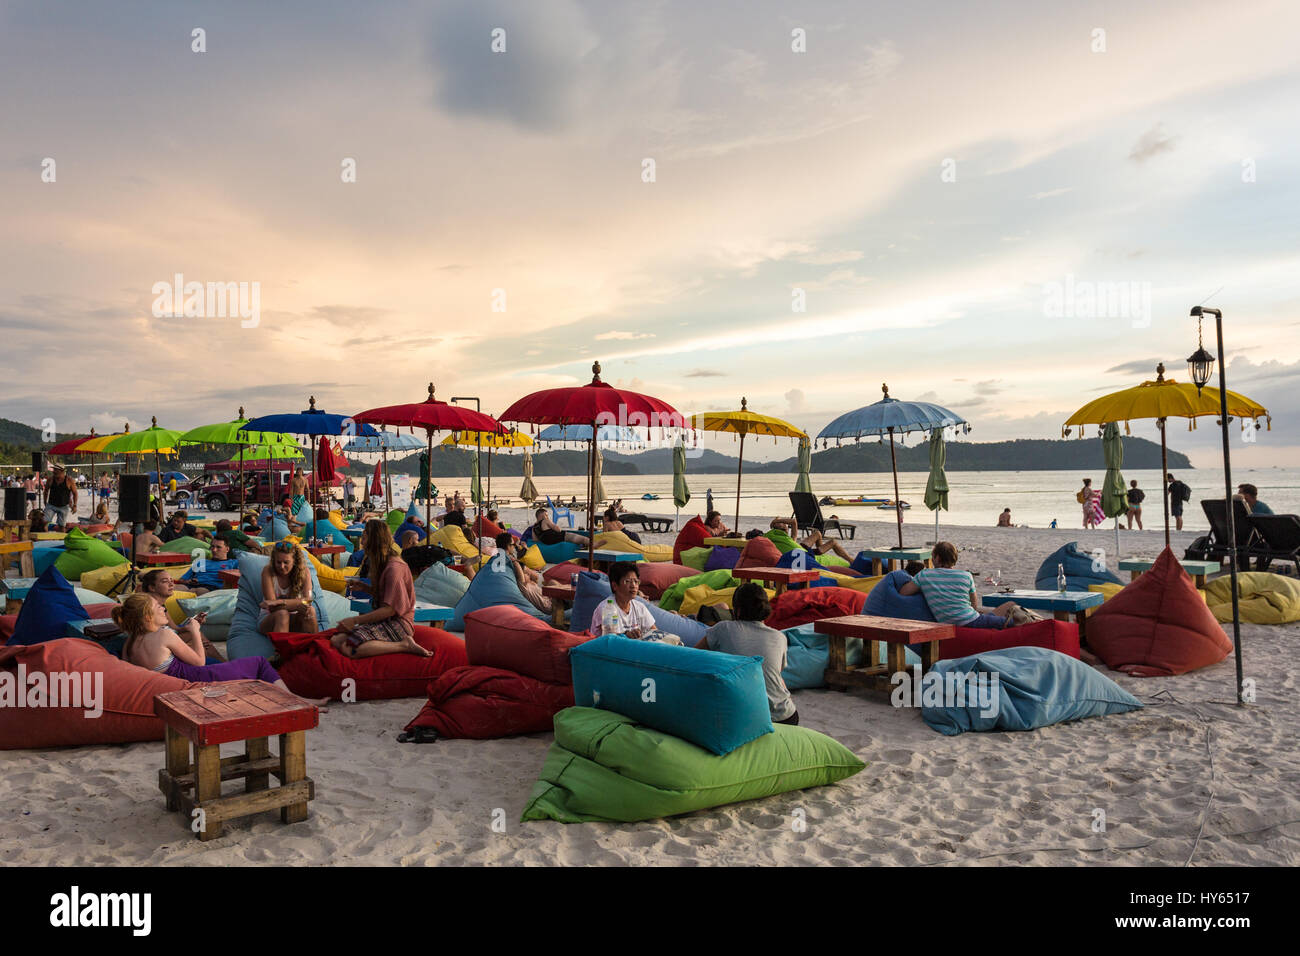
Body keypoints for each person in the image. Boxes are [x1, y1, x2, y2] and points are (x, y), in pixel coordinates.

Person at [115, 593, 328, 705]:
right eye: (158, 607)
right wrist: (196, 630)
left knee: (242, 668)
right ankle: (296, 700)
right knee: (259, 663)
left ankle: (281, 696)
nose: (163, 608)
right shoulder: (164, 634)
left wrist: (187, 628)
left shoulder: (131, 642)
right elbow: (199, 661)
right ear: (147, 616)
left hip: (175, 684)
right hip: (199, 679)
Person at [698, 582, 797, 724]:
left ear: (737, 610)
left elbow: (693, 655)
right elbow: (776, 675)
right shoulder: (779, 637)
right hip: (787, 716)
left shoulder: (723, 629)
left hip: (750, 718)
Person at [330, 520, 430, 658]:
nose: (362, 543)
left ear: (373, 540)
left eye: (364, 538)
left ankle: (404, 645)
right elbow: (387, 596)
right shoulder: (382, 562)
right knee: (336, 640)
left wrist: (355, 620)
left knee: (350, 649)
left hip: (399, 623)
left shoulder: (394, 568)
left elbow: (390, 609)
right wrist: (365, 588)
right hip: (385, 621)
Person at [899, 541, 1020, 629]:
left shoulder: (924, 575)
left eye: (932, 557)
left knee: (1010, 606)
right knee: (1015, 617)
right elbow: (974, 606)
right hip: (970, 621)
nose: (932, 560)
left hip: (956, 620)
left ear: (938, 558)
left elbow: (903, 592)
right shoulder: (966, 576)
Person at [138, 569, 225, 662]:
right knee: (201, 648)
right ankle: (221, 664)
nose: (171, 584)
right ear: (152, 588)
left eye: (171, 581)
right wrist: (187, 646)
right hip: (156, 650)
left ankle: (222, 663)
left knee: (200, 639)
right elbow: (147, 640)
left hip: (163, 641)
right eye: (165, 581)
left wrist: (194, 623)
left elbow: (175, 628)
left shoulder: (161, 605)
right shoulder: (148, 607)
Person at [589, 562, 680, 643]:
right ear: (615, 586)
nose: (633, 586)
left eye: (636, 581)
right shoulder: (606, 608)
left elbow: (654, 633)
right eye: (628, 581)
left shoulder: (639, 607)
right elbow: (610, 642)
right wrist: (627, 635)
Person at [258, 541, 319, 635]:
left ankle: (314, 645)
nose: (282, 567)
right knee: (283, 614)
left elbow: (308, 600)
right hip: (270, 619)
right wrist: (298, 604)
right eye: (278, 562)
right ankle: (282, 649)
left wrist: (279, 602)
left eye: (286, 562)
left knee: (310, 611)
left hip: (294, 619)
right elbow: (272, 607)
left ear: (294, 561)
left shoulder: (304, 572)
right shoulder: (268, 571)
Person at [494, 532, 552, 616]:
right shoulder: (516, 566)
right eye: (513, 544)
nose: (514, 546)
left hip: (530, 596)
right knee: (552, 583)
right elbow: (532, 578)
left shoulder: (496, 562)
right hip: (544, 604)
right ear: (508, 546)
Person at [768, 517, 851, 562]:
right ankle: (851, 560)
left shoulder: (790, 538)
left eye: (784, 522)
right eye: (781, 523)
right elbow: (793, 522)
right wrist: (777, 520)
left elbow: (793, 521)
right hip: (804, 553)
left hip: (801, 547)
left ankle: (821, 553)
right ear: (775, 526)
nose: (785, 524)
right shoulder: (787, 538)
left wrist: (777, 521)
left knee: (818, 533)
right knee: (833, 542)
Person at [44, 464, 77, 528]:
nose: (54, 471)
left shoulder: (69, 480)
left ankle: (62, 537)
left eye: (56, 470)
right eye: (54, 470)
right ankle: (45, 536)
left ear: (62, 471)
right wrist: (45, 501)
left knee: (61, 526)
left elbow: (75, 493)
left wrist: (75, 505)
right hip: (51, 505)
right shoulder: (50, 479)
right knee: (44, 522)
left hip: (64, 506)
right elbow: (46, 491)